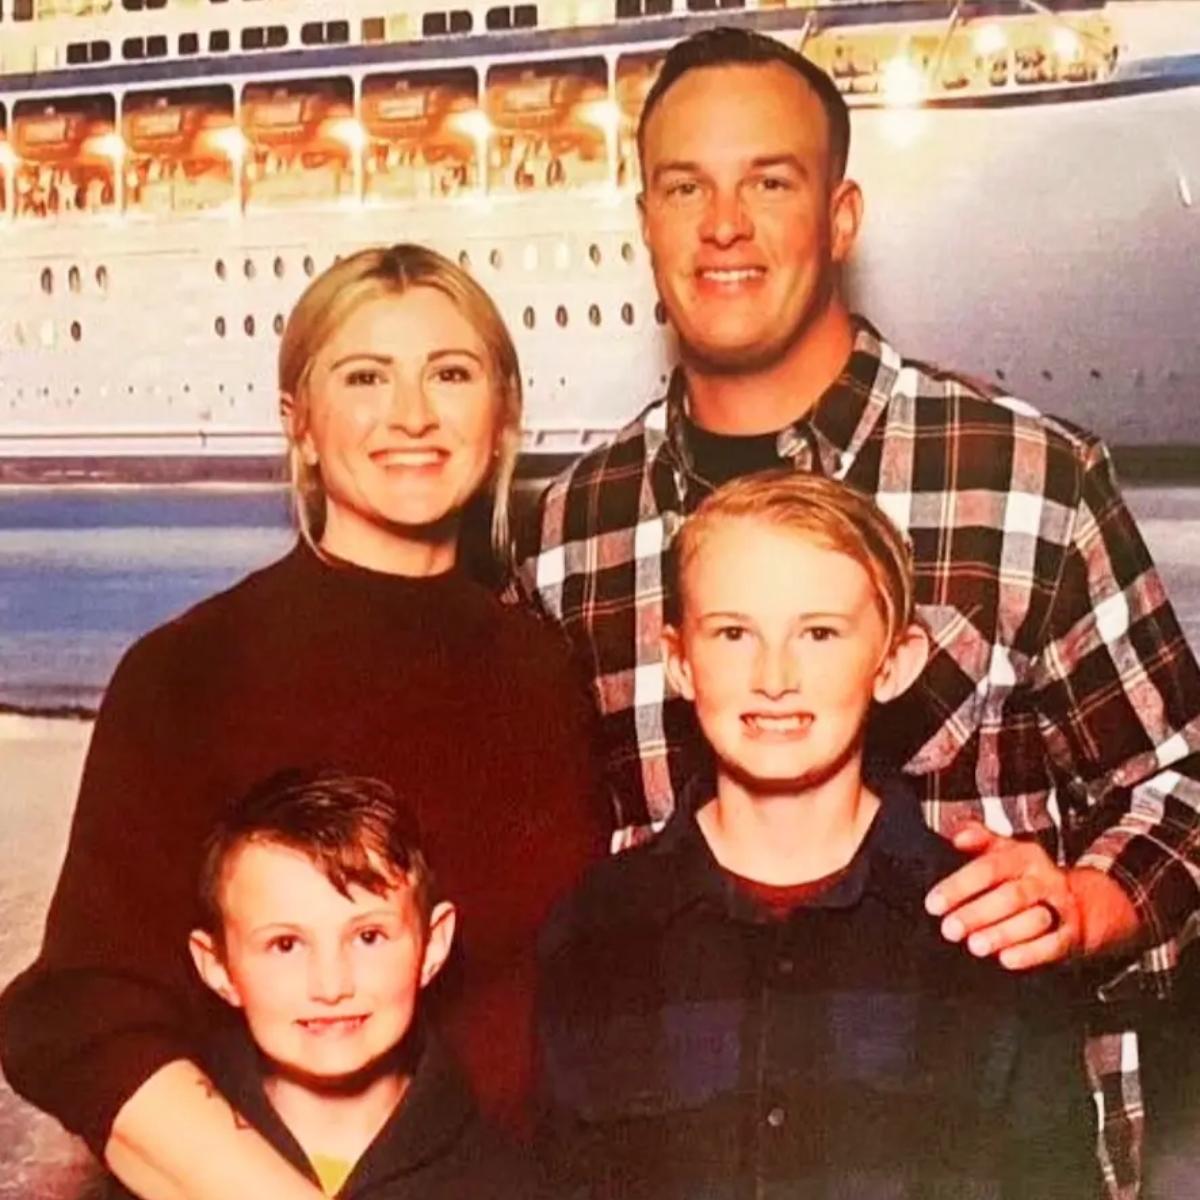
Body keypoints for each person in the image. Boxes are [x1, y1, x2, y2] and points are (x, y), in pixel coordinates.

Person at [518, 27, 1200, 1197]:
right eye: (687, 187)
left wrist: (1088, 907)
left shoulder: (1025, 477)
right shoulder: (570, 525)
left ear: (840, 218)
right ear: (644, 222)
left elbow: (1185, 777)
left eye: (768, 181)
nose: (723, 224)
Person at [1, 244, 609, 1200]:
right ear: (302, 425)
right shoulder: (186, 671)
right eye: (365, 376)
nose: (412, 413)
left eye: (450, 374)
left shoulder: (548, 673)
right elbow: (85, 1015)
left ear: (502, 421)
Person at [537, 471, 1097, 1197]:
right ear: (679, 660)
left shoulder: (989, 930)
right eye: (734, 633)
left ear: (893, 663)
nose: (775, 676)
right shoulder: (593, 932)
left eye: (820, 633)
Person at [105, 768, 547, 1200]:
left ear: (433, 946)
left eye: (368, 937)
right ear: (217, 967)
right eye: (285, 945)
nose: (331, 985)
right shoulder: (159, 1160)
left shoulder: (508, 1180)